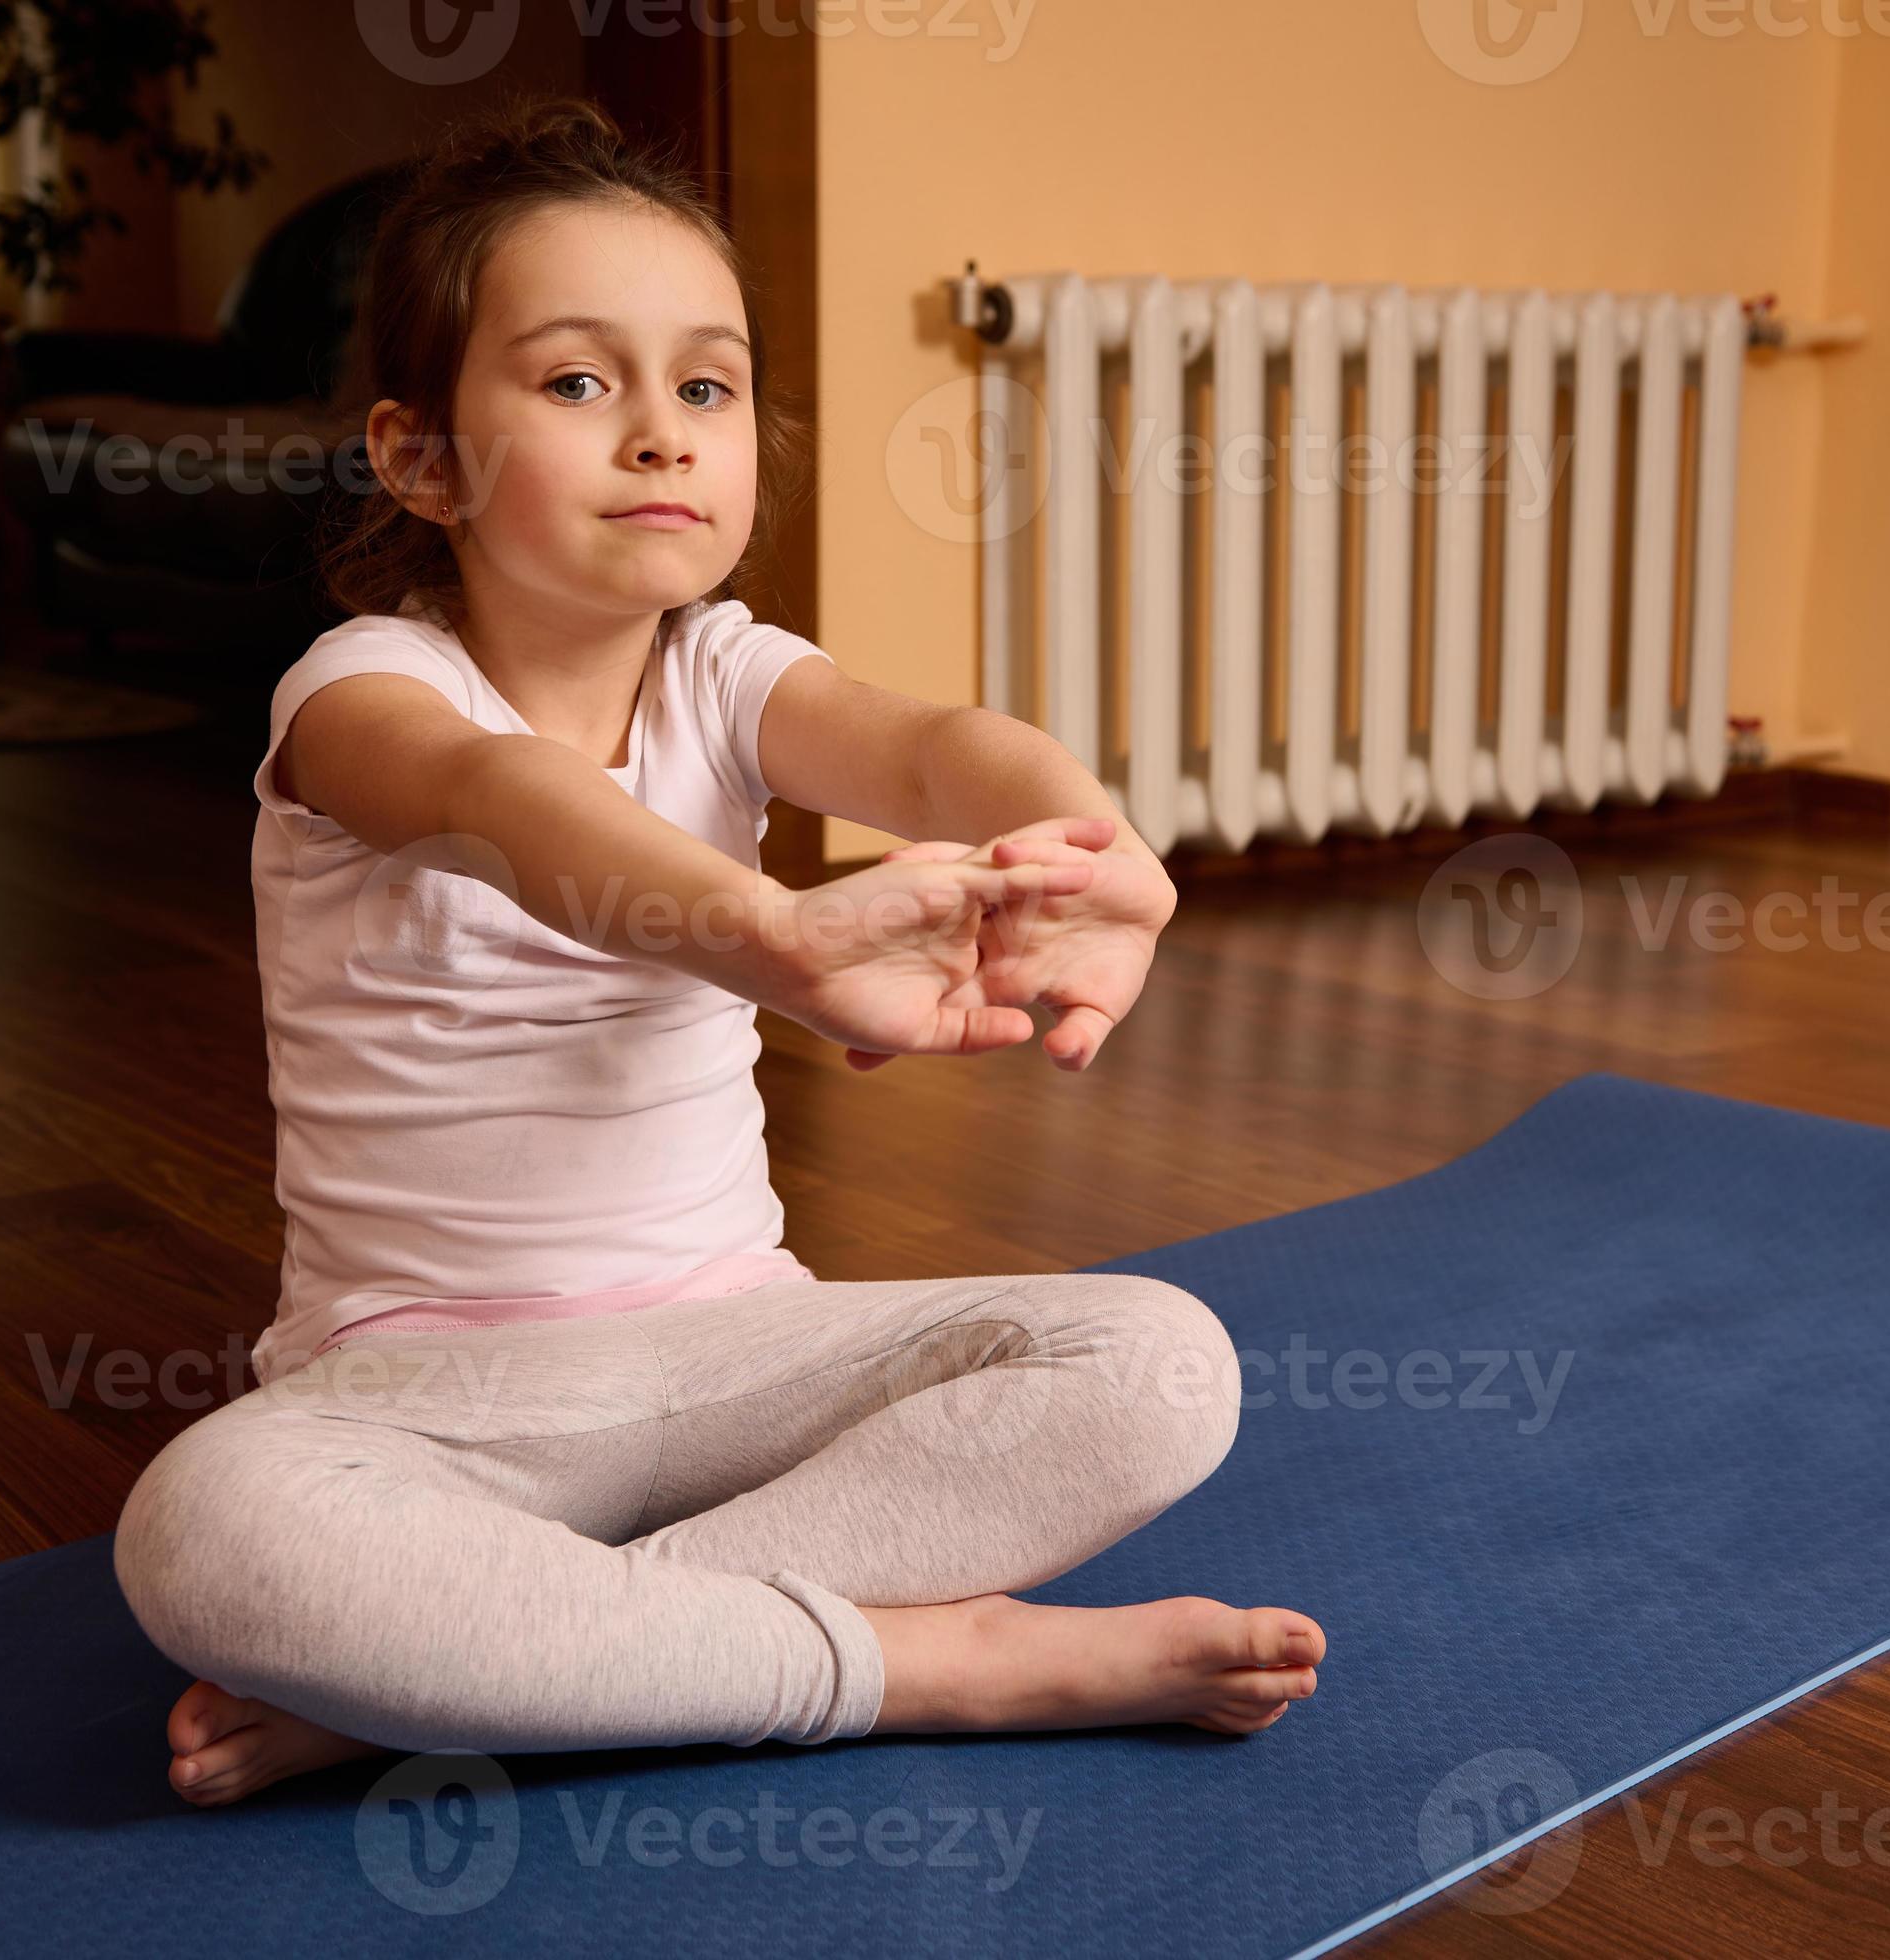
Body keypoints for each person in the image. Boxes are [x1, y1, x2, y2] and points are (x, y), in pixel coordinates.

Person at [108, 95, 1323, 1809]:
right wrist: (768, 933)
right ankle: (931, 1664)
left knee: (1157, 1361)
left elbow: (925, 746)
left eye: (706, 385)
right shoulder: (361, 696)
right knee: (208, 1539)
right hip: (432, 1401)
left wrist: (1080, 841)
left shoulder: (730, 671)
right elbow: (506, 802)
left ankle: (482, 1679)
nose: (662, 434)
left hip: (737, 1359)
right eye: (576, 382)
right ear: (417, 455)